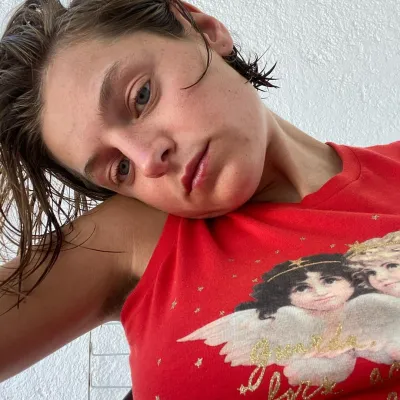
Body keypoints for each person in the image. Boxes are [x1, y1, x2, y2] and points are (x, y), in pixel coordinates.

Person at [0, 0, 399, 399]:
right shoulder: (133, 237)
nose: (147, 160)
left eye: (141, 96)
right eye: (120, 168)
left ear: (204, 30)